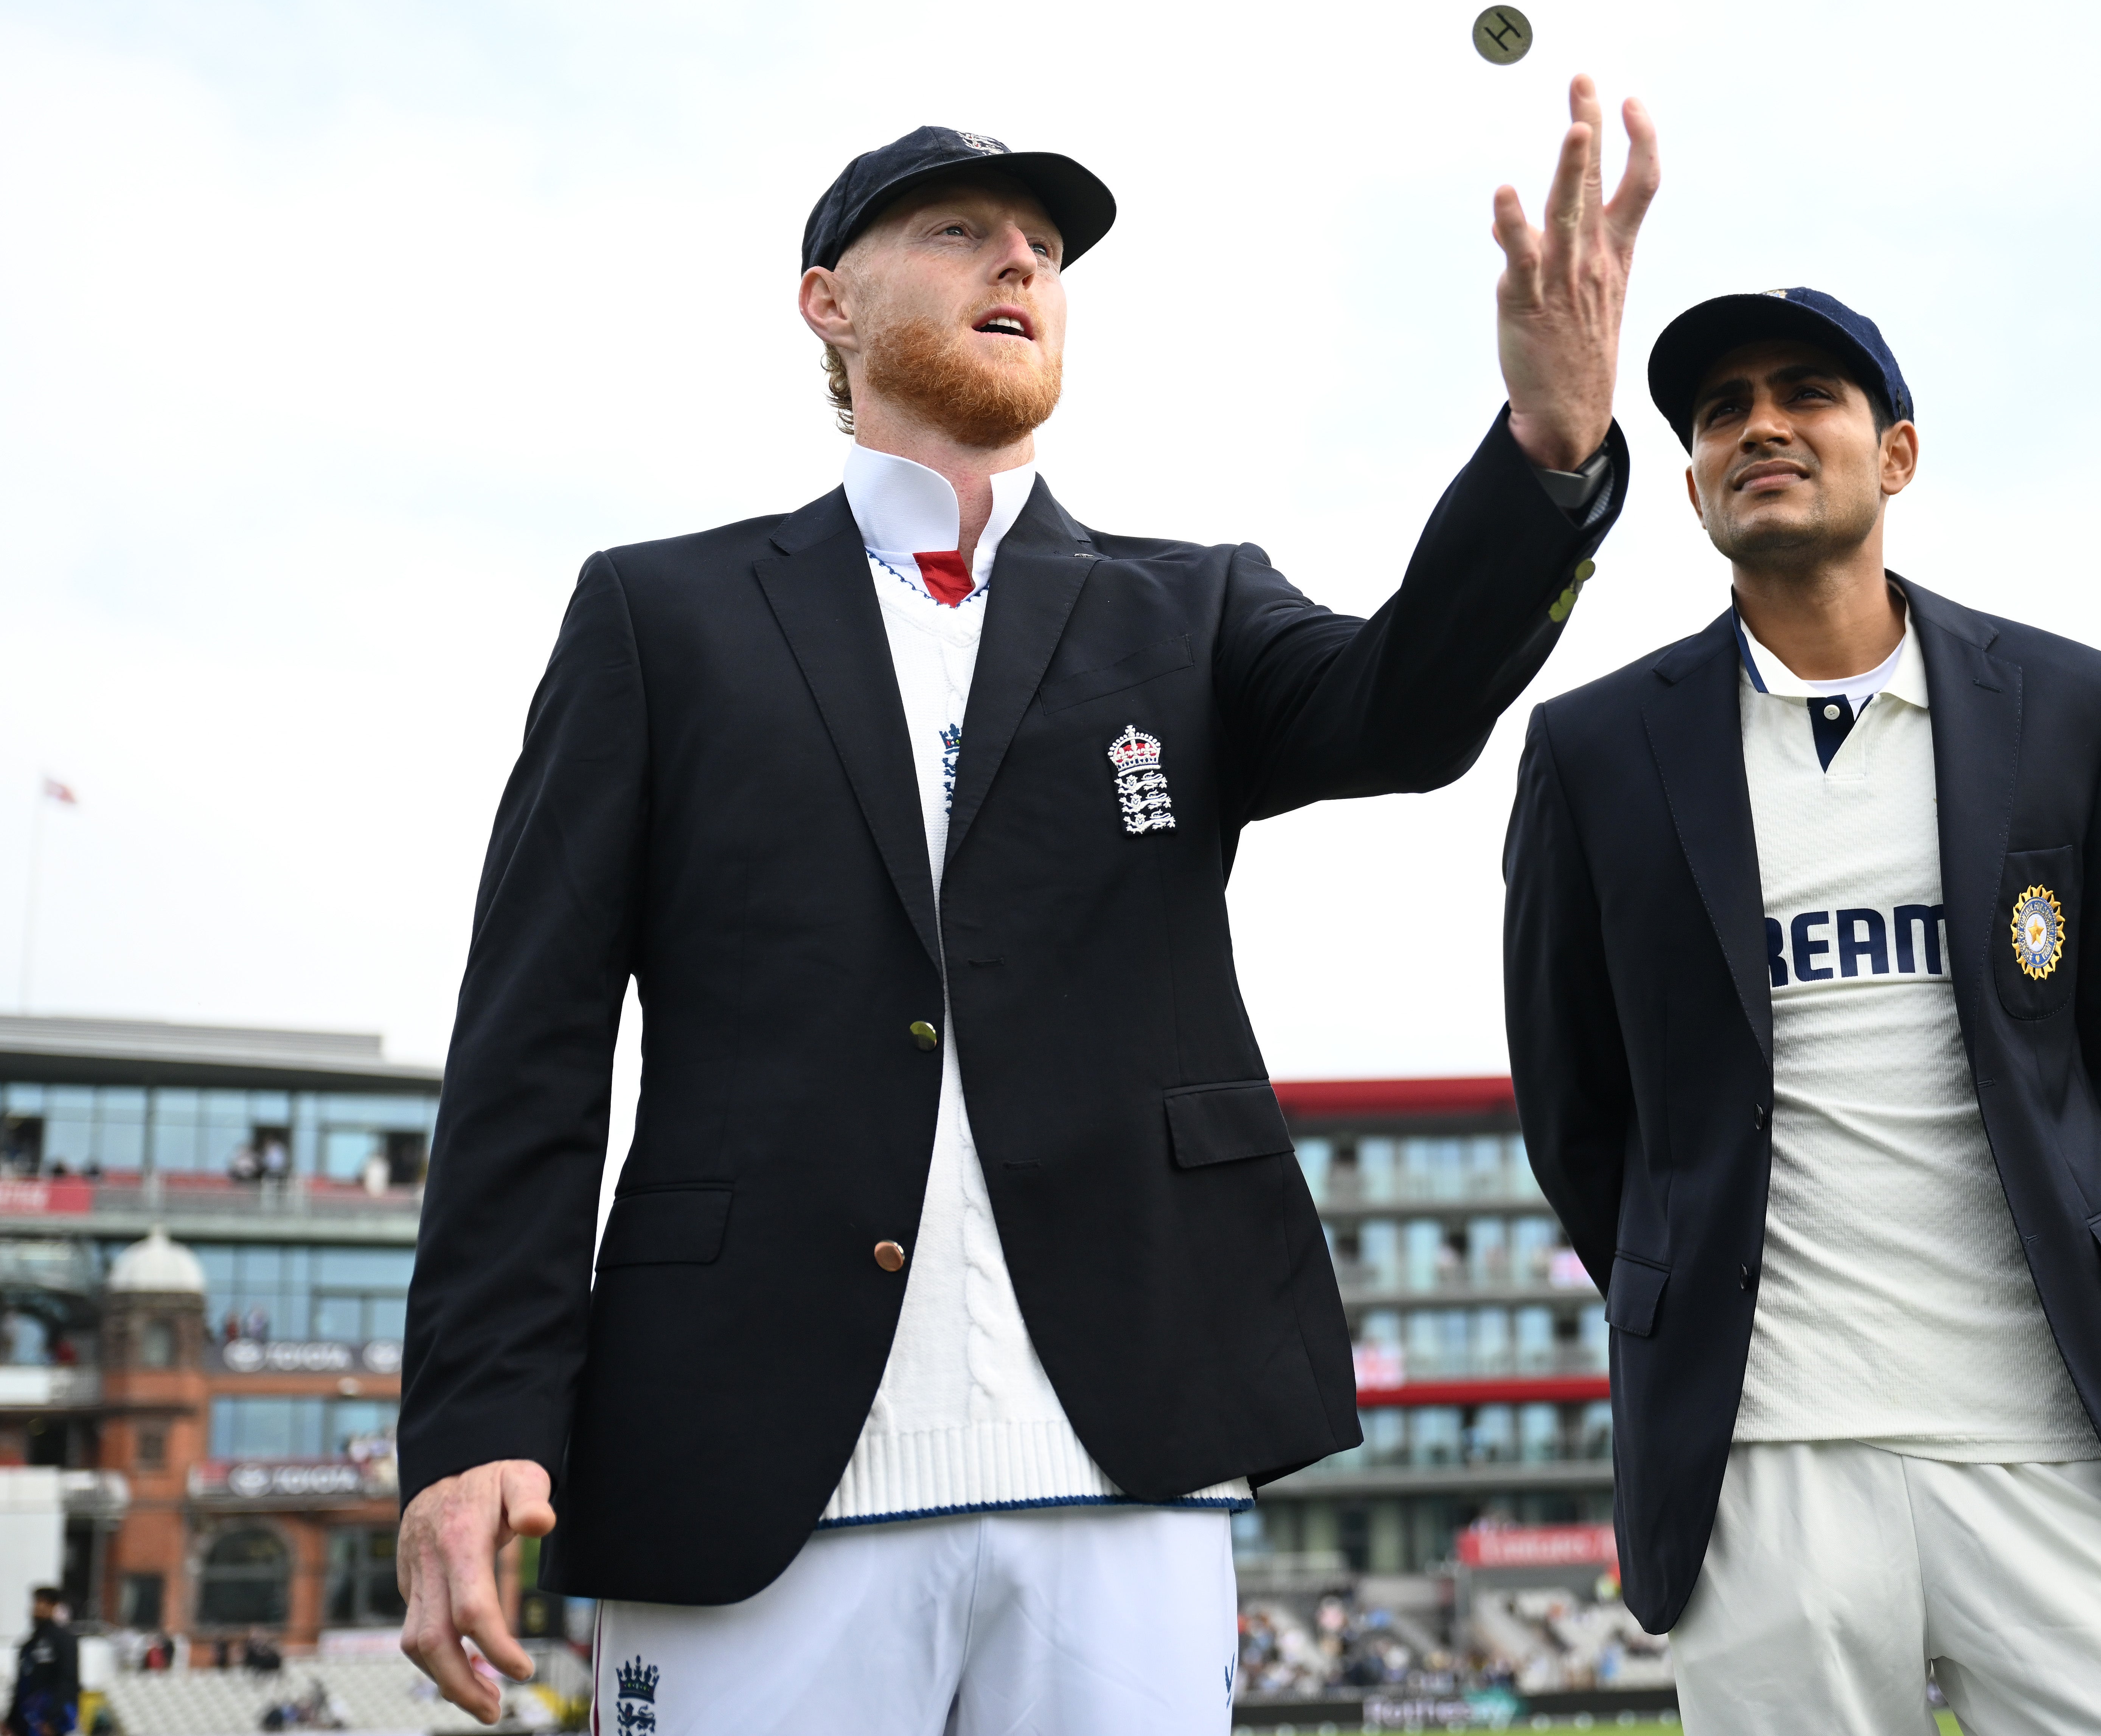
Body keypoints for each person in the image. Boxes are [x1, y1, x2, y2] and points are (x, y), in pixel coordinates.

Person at [396, 84, 1660, 1732]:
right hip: (744, 1452)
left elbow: (1409, 708)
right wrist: (482, 1413)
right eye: (962, 229)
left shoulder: (1191, 609)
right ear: (826, 302)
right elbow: (530, 1046)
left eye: (1048, 248)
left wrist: (1551, 450)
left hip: (1128, 1448)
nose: (1021, 259)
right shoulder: (661, 614)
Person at [1503, 287, 2101, 1733]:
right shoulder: (1592, 751)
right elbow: (1574, 1110)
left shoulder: (2069, 704)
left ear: (1893, 454)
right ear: (1695, 481)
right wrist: (1685, 1273)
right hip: (1763, 1458)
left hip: (2046, 1437)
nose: (1758, 425)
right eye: (1718, 412)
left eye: (1803, 394)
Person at [8, 1586, 76, 1736]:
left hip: (48, 1722)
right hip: (26, 1722)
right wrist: (11, 1722)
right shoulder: (28, 1645)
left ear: (53, 1607)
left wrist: (53, 1720)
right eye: (37, 1602)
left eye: (44, 1603)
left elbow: (68, 1682)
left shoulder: (64, 1640)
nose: (38, 1607)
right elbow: (21, 1686)